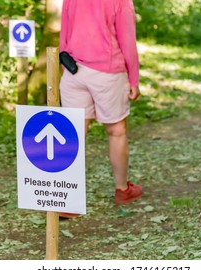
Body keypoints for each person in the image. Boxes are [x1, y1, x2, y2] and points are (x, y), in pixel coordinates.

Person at [59, 0, 143, 217]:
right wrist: (134, 80)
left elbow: (64, 35)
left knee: (73, 135)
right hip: (107, 73)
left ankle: (66, 201)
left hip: (73, 70)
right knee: (116, 131)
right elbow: (127, 42)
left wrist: (65, 65)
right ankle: (122, 190)